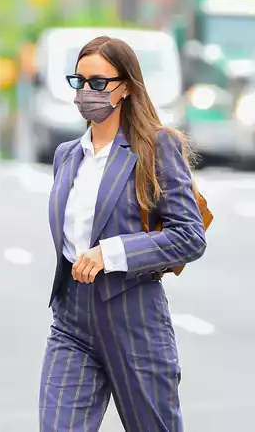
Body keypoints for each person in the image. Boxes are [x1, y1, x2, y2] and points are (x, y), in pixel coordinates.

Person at [39, 36, 207, 432]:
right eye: (79, 82)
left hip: (133, 315)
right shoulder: (68, 155)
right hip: (72, 320)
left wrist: (109, 254)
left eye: (99, 83)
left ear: (126, 87)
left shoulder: (155, 147)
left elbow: (189, 236)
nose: (87, 92)